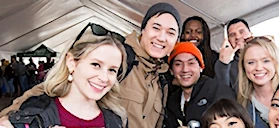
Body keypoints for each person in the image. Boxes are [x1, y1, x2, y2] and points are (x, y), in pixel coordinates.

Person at [1, 3, 182, 128]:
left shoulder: (163, 79)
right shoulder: (121, 58)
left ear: (176, 40)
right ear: (143, 30)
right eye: (156, 28)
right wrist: (11, 118)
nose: (161, 37)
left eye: (170, 32)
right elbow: (48, 90)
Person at [7, 23, 128, 127]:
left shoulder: (116, 120)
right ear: (71, 62)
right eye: (96, 64)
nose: (104, 78)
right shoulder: (34, 115)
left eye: (112, 70)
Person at [215, 19, 279, 93]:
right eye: (232, 35)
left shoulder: (277, 52)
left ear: (251, 33)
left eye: (242, 32)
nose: (237, 37)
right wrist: (223, 64)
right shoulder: (227, 65)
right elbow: (223, 93)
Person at [164, 42, 235, 128]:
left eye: (191, 63)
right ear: (171, 70)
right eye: (178, 64)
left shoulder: (218, 90)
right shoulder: (172, 101)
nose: (185, 69)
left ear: (201, 67)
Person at [235, 36, 279, 128]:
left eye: (266, 61)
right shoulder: (242, 104)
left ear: (276, 63)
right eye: (251, 62)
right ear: (243, 67)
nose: (259, 68)